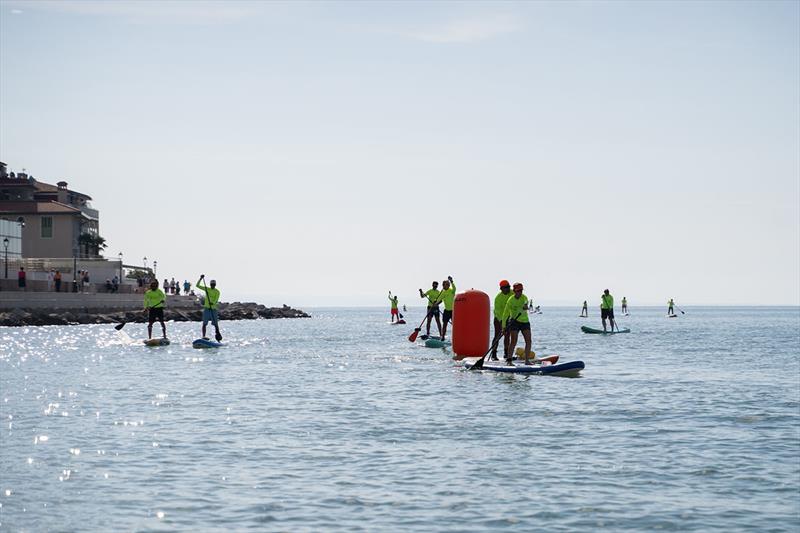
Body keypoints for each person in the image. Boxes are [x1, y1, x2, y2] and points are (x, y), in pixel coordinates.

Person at [503, 282, 532, 365]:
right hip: (514, 321)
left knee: (528, 341)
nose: (520, 292)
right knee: (513, 341)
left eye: (521, 290)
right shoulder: (510, 300)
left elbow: (526, 303)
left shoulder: (524, 298)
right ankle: (509, 361)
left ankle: (527, 361)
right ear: (515, 291)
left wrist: (525, 306)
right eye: (518, 290)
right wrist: (504, 326)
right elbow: (505, 314)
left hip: (524, 321)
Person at [490, 280, 513, 361]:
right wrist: (503, 322)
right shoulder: (498, 298)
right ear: (501, 289)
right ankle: (493, 353)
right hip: (498, 319)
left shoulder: (512, 293)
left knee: (507, 336)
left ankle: (506, 354)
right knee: (498, 335)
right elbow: (498, 312)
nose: (508, 289)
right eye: (506, 287)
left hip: (509, 318)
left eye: (508, 287)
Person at [197, 274, 222, 340]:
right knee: (204, 324)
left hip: (213, 309)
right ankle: (203, 336)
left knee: (216, 324)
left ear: (215, 285)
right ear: (210, 284)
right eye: (211, 284)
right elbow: (197, 285)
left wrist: (212, 303)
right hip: (207, 309)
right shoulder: (207, 289)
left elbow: (216, 300)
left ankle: (218, 335)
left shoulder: (217, 292)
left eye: (213, 284)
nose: (212, 285)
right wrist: (200, 279)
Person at [439, 276, 456, 340]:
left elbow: (454, 288)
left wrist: (451, 281)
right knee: (444, 325)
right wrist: (435, 303)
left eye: (446, 284)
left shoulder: (452, 291)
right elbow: (439, 300)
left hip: (453, 311)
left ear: (448, 285)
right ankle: (442, 337)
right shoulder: (443, 293)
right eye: (443, 285)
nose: (444, 286)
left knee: (454, 325)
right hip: (446, 311)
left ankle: (456, 337)